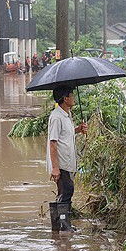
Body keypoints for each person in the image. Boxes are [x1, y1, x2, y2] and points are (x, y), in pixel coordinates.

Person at [46, 85, 87, 231]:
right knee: (67, 190)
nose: (73, 97)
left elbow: (65, 134)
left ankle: (59, 226)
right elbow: (53, 143)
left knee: (64, 192)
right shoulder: (57, 117)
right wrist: (55, 168)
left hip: (67, 161)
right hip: (61, 163)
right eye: (71, 95)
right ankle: (64, 227)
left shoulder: (66, 115)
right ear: (65, 98)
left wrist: (78, 129)